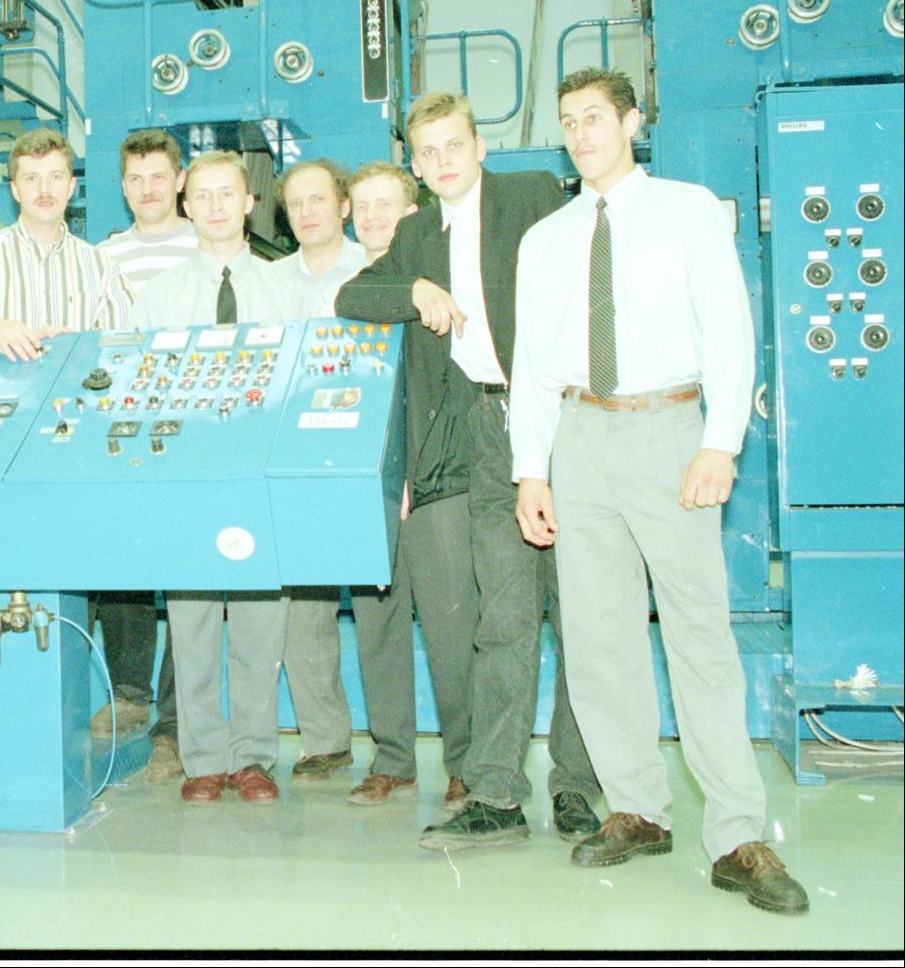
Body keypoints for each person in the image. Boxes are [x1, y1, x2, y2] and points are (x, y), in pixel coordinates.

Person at [511, 68, 807, 914]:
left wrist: (720, 442)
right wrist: (532, 469)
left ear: (632, 121)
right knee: (598, 639)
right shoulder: (547, 238)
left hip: (670, 430)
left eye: (595, 117)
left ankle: (738, 834)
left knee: (698, 633)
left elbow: (730, 330)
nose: (581, 134)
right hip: (580, 435)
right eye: (568, 121)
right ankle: (638, 808)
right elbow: (532, 363)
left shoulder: (687, 210)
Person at [336, 92, 601, 850]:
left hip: (563, 421)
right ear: (416, 167)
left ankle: (577, 785)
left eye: (454, 145)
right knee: (503, 617)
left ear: (480, 147)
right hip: (488, 433)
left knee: (577, 613)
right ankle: (494, 792)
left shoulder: (532, 195)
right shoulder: (418, 233)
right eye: (428, 152)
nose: (443, 161)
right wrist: (413, 289)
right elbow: (352, 295)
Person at [130, 150, 301, 805]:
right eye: (202, 195)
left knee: (260, 624)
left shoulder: (289, 290)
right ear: (186, 205)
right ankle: (202, 756)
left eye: (228, 193)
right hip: (189, 477)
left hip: (262, 476)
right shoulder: (158, 296)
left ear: (249, 202)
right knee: (193, 623)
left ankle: (252, 756)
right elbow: (140, 391)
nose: (216, 206)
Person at [334, 163, 478, 809]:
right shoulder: (356, 289)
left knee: (451, 631)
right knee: (379, 629)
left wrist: (417, 473)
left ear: (413, 212)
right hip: (369, 494)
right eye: (361, 206)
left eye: (385, 204)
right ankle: (392, 759)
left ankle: (466, 762)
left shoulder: (444, 284)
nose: (372, 217)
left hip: (435, 484)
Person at [93, 128, 198, 781]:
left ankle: (176, 725)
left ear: (180, 180)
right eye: (135, 179)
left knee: (188, 572)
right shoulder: (103, 257)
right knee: (123, 561)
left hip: (194, 427)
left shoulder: (210, 244)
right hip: (123, 423)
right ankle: (129, 695)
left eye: (159, 176)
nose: (148, 189)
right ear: (122, 186)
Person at [275, 159, 367, 780]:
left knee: (387, 609)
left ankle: (404, 752)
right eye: (296, 203)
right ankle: (327, 740)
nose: (308, 212)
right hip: (292, 458)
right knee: (303, 608)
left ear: (343, 207)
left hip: (362, 452)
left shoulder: (373, 270)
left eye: (319, 200)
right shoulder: (268, 282)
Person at [0, 126, 132, 357]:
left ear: (71, 187)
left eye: (55, 177)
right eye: (31, 178)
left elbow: (120, 346)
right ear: (15, 189)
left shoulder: (102, 267)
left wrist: (74, 348)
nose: (44, 190)